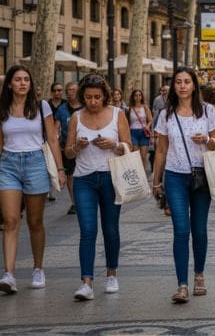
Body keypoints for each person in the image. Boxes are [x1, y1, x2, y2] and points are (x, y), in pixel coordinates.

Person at [151, 67, 215, 303]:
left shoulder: (208, 111)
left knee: (199, 229)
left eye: (187, 82)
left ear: (194, 85)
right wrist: (156, 179)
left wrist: (207, 140)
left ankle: (199, 275)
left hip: (202, 176)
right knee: (181, 230)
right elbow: (161, 149)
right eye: (178, 82)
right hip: (175, 176)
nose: (182, 86)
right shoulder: (166, 114)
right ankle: (182, 284)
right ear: (174, 87)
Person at [64, 74, 132, 300]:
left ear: (105, 96)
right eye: (88, 97)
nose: (93, 101)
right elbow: (68, 152)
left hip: (111, 178)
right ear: (82, 97)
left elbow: (128, 147)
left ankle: (112, 273)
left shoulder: (117, 114)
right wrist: (77, 146)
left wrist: (114, 145)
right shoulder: (76, 117)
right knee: (87, 230)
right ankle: (86, 282)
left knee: (111, 229)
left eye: (97, 97)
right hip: (84, 179)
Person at [0, 65, 65, 293]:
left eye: (26, 79)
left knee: (35, 222)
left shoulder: (41, 106)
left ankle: (38, 268)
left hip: (36, 163)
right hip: (7, 165)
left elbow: (53, 140)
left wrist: (59, 168)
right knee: (10, 221)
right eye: (17, 79)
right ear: (10, 83)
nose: (22, 83)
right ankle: (9, 274)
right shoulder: (2, 108)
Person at [54, 82, 81, 215]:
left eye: (74, 90)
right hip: (67, 147)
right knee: (70, 175)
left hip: (84, 147)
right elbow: (56, 127)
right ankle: (74, 202)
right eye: (69, 90)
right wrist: (56, 139)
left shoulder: (84, 108)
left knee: (82, 174)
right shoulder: (61, 109)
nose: (71, 92)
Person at [127, 90, 153, 173]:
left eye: (139, 95)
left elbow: (150, 120)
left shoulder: (145, 107)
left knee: (143, 155)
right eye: (136, 95)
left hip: (143, 133)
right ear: (133, 97)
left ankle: (143, 174)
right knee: (135, 155)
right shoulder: (129, 109)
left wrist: (148, 126)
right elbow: (127, 122)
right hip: (133, 132)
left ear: (142, 97)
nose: (138, 97)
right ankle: (137, 173)